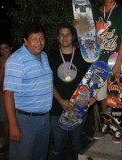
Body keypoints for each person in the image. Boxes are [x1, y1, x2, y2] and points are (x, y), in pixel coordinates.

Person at [3, 24, 53, 160]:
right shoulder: (16, 60)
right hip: (25, 121)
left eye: (41, 38)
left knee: (40, 156)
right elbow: (8, 94)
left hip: (44, 119)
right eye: (34, 39)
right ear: (25, 41)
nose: (39, 42)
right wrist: (13, 126)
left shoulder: (44, 56)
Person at [90, 0, 122, 143]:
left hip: (115, 61)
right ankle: (105, 126)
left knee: (116, 98)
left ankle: (117, 129)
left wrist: (119, 64)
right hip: (98, 62)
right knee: (101, 98)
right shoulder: (94, 13)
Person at [47, 23, 92, 160]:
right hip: (56, 108)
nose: (65, 37)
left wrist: (91, 97)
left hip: (78, 107)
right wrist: (61, 101)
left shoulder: (83, 55)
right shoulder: (50, 56)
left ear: (73, 37)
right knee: (59, 147)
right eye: (61, 34)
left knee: (76, 145)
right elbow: (47, 81)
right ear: (57, 37)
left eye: (68, 34)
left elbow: (90, 80)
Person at [0, 41, 13, 147]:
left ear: (10, 48)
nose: (4, 50)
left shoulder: (16, 59)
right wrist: (3, 63)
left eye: (6, 47)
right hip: (2, 94)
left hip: (16, 95)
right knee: (4, 121)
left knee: (17, 119)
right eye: (1, 48)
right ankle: (7, 144)